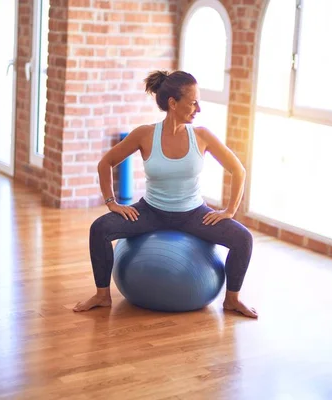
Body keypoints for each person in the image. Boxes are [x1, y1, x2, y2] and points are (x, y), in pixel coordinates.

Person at [73, 70, 257, 318]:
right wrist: (111, 203)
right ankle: (102, 295)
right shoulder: (145, 134)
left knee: (243, 239)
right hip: (151, 212)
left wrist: (229, 211)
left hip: (193, 214)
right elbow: (105, 163)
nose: (198, 109)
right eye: (193, 102)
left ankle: (232, 300)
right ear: (173, 103)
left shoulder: (201, 136)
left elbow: (238, 170)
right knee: (100, 229)